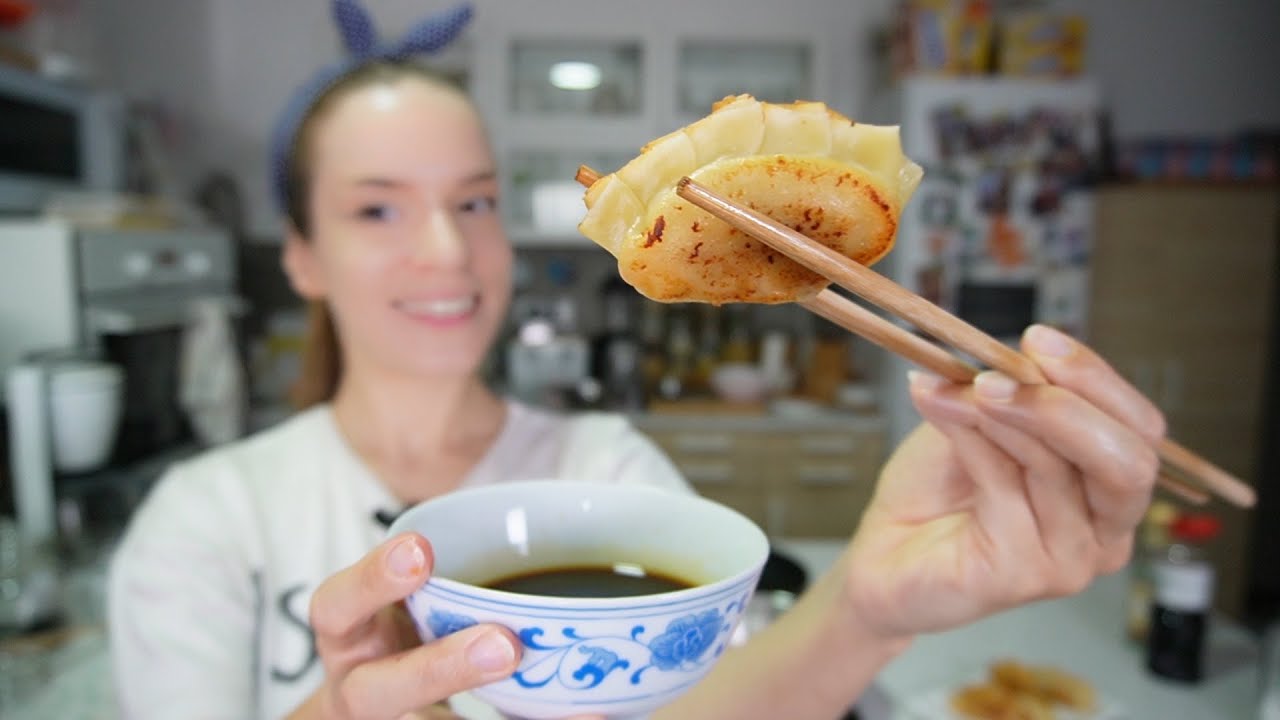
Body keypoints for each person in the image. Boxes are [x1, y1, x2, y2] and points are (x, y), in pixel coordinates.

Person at [108, 3, 1165, 719]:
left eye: (473, 200)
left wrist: (867, 606)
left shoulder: (607, 472)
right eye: (377, 206)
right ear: (298, 253)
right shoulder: (206, 519)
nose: (446, 249)